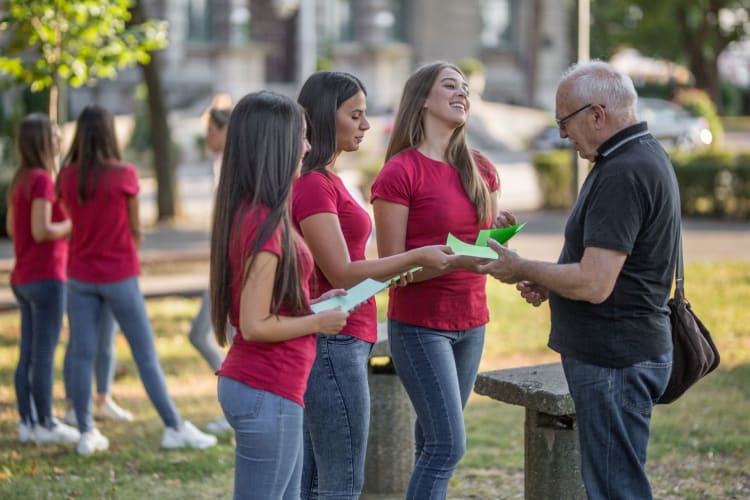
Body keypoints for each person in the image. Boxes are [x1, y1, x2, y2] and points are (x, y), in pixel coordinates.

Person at [478, 60, 679, 499]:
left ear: (596, 114)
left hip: (614, 358)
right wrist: (551, 281)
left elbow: (594, 283)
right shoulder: (638, 154)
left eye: (564, 122)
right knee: (612, 483)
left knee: (615, 489)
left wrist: (522, 267)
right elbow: (614, 269)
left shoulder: (624, 171)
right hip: (623, 350)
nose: (563, 135)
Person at [292, 71, 454, 499]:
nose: (366, 125)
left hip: (344, 335)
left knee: (316, 477)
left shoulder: (327, 179)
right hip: (334, 341)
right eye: (356, 115)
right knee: (342, 481)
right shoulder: (312, 186)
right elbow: (342, 271)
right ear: (327, 119)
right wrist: (417, 255)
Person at [370, 61, 514, 498]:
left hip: (472, 321)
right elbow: (391, 269)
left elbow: (481, 246)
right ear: (423, 100)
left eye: (465, 88)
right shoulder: (400, 173)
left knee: (431, 442)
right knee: (448, 445)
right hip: (420, 327)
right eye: (450, 85)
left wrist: (498, 233)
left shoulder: (482, 169)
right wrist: (452, 264)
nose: (462, 93)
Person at [210, 90, 350, 500]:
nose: (308, 146)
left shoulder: (259, 213)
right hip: (266, 387)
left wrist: (312, 308)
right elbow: (253, 325)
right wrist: (318, 322)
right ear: (277, 144)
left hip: (271, 386)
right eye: (301, 136)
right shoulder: (263, 222)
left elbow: (266, 306)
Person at [58, 105, 217, 455]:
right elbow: (134, 229)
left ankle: (86, 429)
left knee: (82, 353)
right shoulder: (124, 174)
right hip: (119, 276)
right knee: (145, 355)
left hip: (80, 276)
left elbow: (72, 222)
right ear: (110, 133)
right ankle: (174, 426)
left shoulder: (66, 177)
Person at [6, 113, 79, 444]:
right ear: (39, 141)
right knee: (44, 353)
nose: (58, 138)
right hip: (46, 276)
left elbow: (12, 228)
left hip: (23, 276)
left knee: (29, 353)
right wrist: (70, 225)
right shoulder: (41, 180)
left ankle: (27, 422)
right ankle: (46, 423)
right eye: (52, 134)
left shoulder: (21, 178)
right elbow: (41, 229)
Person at [188, 105, 232, 434]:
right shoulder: (220, 165)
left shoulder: (234, 168)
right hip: (221, 269)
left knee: (213, 336)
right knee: (202, 335)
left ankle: (232, 411)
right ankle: (232, 410)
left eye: (211, 131)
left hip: (229, 272)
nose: (207, 138)